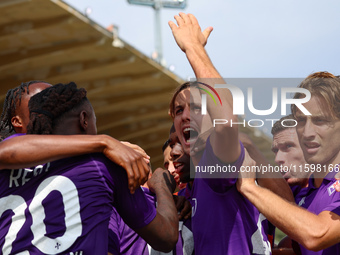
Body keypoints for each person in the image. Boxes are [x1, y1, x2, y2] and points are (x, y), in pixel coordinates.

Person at [0, 82, 178, 254]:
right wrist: (162, 187)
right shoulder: (104, 165)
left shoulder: (10, 162)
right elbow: (166, 237)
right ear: (84, 119)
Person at [168, 13, 289, 254]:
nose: (185, 115)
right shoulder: (195, 182)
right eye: (179, 110)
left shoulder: (217, 162)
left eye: (197, 107)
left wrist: (193, 48)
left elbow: (225, 123)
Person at [237, 72, 340, 254]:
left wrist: (248, 186)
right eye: (301, 120)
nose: (307, 132)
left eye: (320, 120)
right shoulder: (303, 193)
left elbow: (317, 235)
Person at [0, 80, 150, 192]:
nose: (50, 105)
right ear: (17, 122)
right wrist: (104, 143)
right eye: (39, 102)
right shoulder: (9, 149)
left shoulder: (85, 160)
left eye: (54, 98)